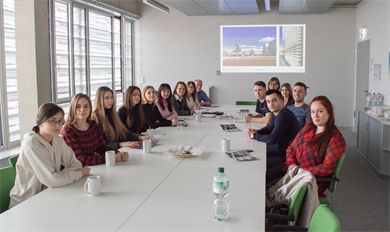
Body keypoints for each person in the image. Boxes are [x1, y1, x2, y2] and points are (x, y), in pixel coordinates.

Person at [9, 103, 91, 208]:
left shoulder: (57, 139)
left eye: (61, 121)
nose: (58, 125)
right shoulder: (31, 144)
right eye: (52, 121)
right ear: (40, 122)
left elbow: (75, 164)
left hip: (48, 195)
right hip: (26, 203)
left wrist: (53, 181)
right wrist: (79, 174)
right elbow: (54, 180)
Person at [267, 96, 346, 197]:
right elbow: (291, 148)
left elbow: (327, 167)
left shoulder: (335, 138)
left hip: (307, 180)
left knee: (267, 190)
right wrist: (292, 165)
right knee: (261, 178)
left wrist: (299, 170)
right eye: (312, 112)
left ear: (329, 113)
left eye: (320, 111)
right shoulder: (308, 128)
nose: (315, 116)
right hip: (290, 169)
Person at [62, 93, 129, 166]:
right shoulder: (68, 130)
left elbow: (102, 147)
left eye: (86, 106)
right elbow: (80, 159)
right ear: (72, 109)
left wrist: (118, 153)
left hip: (94, 168)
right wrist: (111, 158)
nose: (82, 110)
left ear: (90, 108)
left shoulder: (93, 125)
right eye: (78, 106)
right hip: (77, 171)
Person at [246, 90, 301, 169]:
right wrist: (256, 131)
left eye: (274, 100)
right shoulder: (276, 113)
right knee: (255, 156)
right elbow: (269, 128)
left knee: (258, 165)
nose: (271, 104)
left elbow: (272, 139)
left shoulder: (284, 115)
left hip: (288, 156)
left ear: (281, 101)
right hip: (281, 150)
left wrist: (254, 136)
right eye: (268, 101)